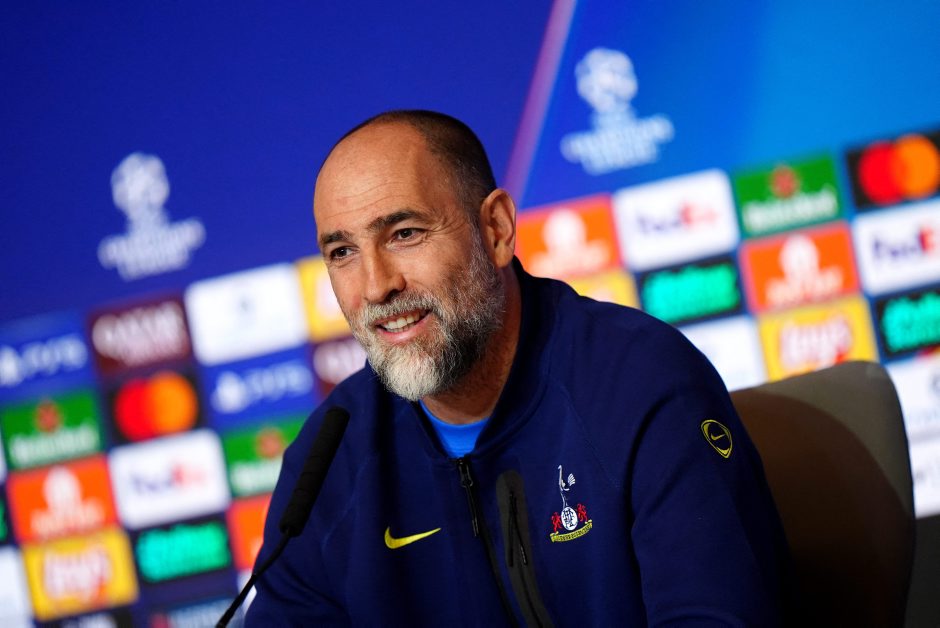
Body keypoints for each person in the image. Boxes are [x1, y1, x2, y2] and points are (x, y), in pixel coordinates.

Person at [246, 110, 790, 626]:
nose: (375, 286)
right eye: (342, 252)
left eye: (404, 233)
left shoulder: (642, 383)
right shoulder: (330, 458)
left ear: (497, 229)